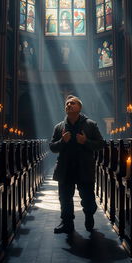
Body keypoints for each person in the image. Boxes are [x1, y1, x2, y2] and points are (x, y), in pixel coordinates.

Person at [49, 95, 105, 234]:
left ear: (79, 107)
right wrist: (62, 141)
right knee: (65, 198)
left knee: (87, 197)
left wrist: (85, 141)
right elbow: (52, 147)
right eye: (67, 103)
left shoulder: (90, 125)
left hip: (83, 167)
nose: (68, 105)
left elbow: (101, 144)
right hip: (65, 167)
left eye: (72, 103)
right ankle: (67, 223)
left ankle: (89, 215)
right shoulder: (59, 127)